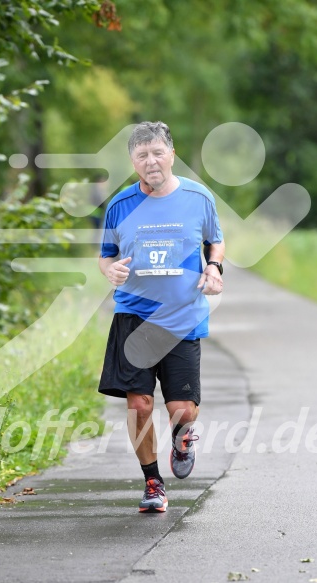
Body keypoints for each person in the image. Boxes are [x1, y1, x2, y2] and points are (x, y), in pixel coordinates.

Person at [98, 121, 224, 512]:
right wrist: (110, 270)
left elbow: (214, 241)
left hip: (181, 316)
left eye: (157, 153)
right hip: (133, 315)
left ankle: (181, 438)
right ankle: (153, 482)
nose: (150, 161)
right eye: (141, 155)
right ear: (133, 162)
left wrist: (215, 268)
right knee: (138, 405)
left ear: (171, 154)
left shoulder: (198, 197)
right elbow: (106, 255)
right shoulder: (120, 205)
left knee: (182, 410)